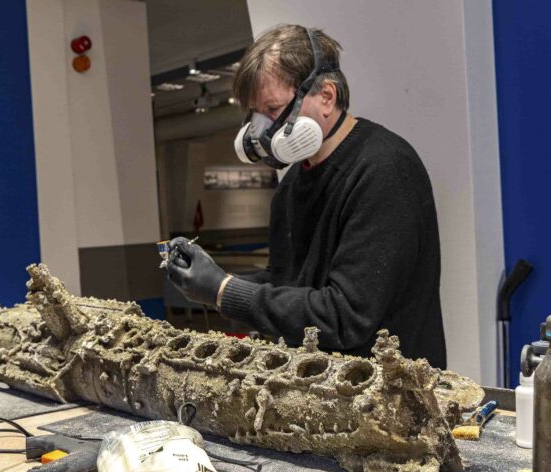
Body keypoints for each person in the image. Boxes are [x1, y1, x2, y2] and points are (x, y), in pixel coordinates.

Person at [166, 24, 446, 369]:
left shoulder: (384, 170)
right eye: (254, 114)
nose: (261, 129)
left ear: (326, 97)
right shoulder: (292, 184)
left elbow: (345, 317)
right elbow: (288, 284)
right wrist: (212, 280)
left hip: (391, 395)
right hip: (320, 390)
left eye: (272, 109)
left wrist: (226, 291)